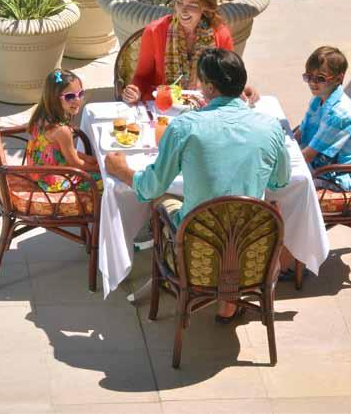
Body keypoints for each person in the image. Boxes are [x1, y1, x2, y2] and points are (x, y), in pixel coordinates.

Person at [106, 48, 290, 320]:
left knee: (161, 199)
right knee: (254, 208)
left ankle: (176, 278)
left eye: (201, 81)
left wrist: (122, 171)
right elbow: (280, 180)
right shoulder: (270, 126)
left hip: (197, 258)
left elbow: (151, 186)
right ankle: (229, 303)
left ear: (210, 88)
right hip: (252, 256)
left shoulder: (185, 127)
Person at [122, 0, 258, 105]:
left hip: (205, 109)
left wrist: (242, 90)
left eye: (192, 5)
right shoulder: (154, 31)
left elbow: (228, 79)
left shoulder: (220, 34)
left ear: (205, 6)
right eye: (179, 2)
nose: (183, 10)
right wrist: (135, 91)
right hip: (164, 108)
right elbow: (141, 78)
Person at [294, 46, 351, 192]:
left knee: (281, 185)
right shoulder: (318, 100)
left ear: (339, 78)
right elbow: (299, 134)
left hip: (337, 177)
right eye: (308, 77)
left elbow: (308, 156)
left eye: (320, 78)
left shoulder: (339, 115)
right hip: (320, 165)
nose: (312, 83)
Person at [26, 69, 103, 193]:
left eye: (80, 93)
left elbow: (63, 150)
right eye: (70, 96)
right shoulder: (62, 131)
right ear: (54, 99)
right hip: (52, 181)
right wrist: (101, 169)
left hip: (36, 173)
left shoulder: (41, 115)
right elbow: (76, 164)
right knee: (106, 182)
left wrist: (87, 158)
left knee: (94, 162)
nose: (77, 100)